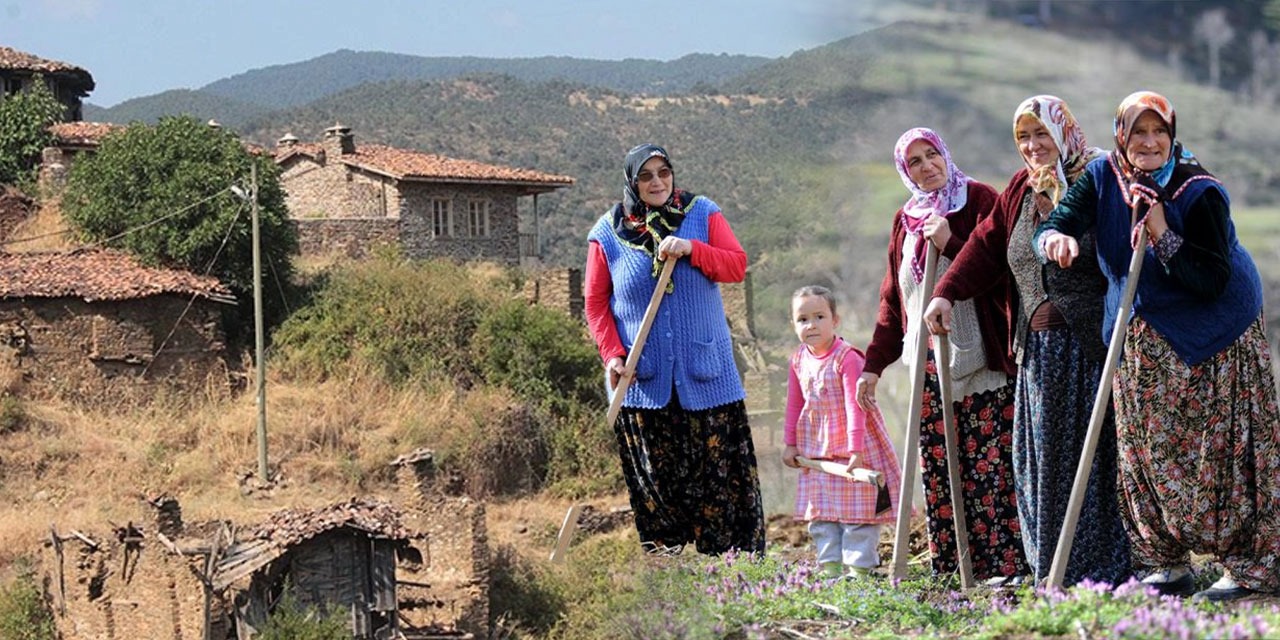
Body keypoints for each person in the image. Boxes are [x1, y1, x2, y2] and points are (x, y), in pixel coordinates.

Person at [1037, 91, 1280, 601]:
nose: (1149, 142)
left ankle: (1249, 566)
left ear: (1172, 136)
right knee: (1143, 451)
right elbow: (1057, 221)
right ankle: (1165, 564)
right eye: (1138, 133)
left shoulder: (1199, 190)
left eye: (1159, 133)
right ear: (1121, 137)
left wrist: (1164, 232)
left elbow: (1210, 280)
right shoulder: (1104, 176)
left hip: (1213, 332)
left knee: (1218, 454)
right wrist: (1055, 240)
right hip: (1139, 329)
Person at [921, 96, 1131, 587]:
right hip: (1036, 356)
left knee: (1088, 459)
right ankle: (1048, 567)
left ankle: (1095, 569)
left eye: (1042, 135)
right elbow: (987, 245)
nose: (1034, 146)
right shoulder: (1020, 187)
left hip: (1087, 349)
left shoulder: (1099, 179)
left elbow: (1121, 251)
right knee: (1039, 464)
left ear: (1064, 133)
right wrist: (946, 293)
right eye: (1024, 137)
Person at [859, 128, 1028, 583]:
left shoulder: (979, 199)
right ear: (904, 171)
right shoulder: (905, 220)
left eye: (931, 154)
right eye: (914, 161)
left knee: (990, 467)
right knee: (939, 466)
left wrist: (953, 243)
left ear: (945, 154)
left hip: (981, 360)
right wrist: (873, 365)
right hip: (927, 367)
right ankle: (954, 570)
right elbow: (894, 300)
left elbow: (1006, 273)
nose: (926, 166)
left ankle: (1007, 568)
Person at [584, 142, 766, 556]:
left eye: (663, 173)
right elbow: (595, 304)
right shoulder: (608, 233)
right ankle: (670, 579)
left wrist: (691, 249)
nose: (656, 182)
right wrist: (612, 353)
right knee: (657, 492)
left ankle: (730, 575)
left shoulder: (701, 213)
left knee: (718, 485)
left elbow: (736, 265)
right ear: (632, 181)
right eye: (645, 176)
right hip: (642, 380)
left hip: (707, 377)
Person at [782, 285, 902, 578]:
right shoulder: (799, 359)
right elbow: (794, 402)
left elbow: (854, 406)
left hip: (852, 450)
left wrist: (855, 449)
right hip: (818, 452)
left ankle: (859, 572)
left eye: (820, 316)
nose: (811, 325)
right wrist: (790, 444)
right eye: (803, 319)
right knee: (822, 515)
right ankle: (831, 569)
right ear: (793, 324)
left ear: (835, 320)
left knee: (857, 515)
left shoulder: (847, 358)